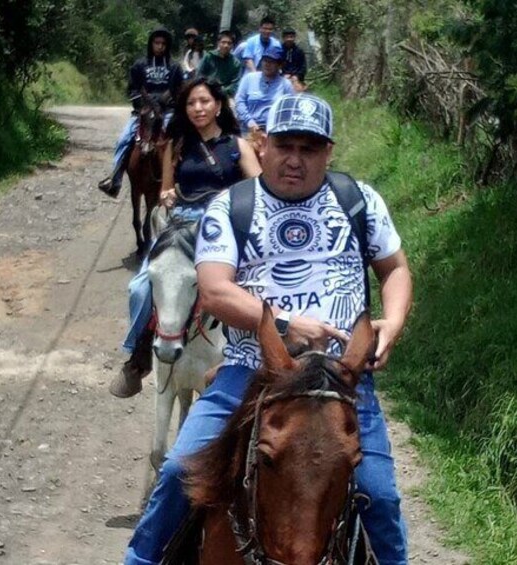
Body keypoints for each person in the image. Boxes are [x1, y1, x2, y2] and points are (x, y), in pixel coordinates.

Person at [123, 93, 413, 564]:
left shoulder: (358, 201)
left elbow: (395, 268)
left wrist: (393, 321)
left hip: (338, 379)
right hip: (250, 369)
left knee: (379, 495)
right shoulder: (231, 207)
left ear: (329, 152)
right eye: (285, 146)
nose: (296, 160)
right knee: (179, 470)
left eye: (310, 148)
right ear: (263, 144)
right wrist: (283, 323)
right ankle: (141, 560)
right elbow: (215, 290)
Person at [109, 78, 261, 398]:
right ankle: (138, 357)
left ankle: (260, 356)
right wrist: (166, 195)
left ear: (218, 105)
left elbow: (260, 191)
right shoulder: (176, 146)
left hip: (224, 230)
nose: (198, 108)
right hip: (181, 225)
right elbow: (167, 188)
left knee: (255, 285)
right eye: (191, 103)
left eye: (204, 101)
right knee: (140, 286)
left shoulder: (237, 147)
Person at [98, 28, 183, 198]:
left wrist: (164, 101)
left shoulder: (174, 67)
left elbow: (177, 90)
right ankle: (115, 180)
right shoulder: (139, 65)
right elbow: (133, 90)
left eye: (163, 44)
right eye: (156, 43)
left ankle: (181, 182)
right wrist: (144, 105)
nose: (160, 47)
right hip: (143, 112)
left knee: (179, 141)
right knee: (123, 139)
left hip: (167, 112)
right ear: (151, 44)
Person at [234, 45, 294, 137]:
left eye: (272, 62)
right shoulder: (249, 78)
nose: (267, 64)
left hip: (274, 130)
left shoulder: (285, 84)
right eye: (265, 60)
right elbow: (240, 101)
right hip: (249, 128)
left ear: (279, 65)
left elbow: (289, 110)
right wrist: (250, 122)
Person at [196, 30, 243, 97]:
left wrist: (222, 91)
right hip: (206, 91)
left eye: (229, 43)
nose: (226, 45)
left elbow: (235, 84)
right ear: (218, 43)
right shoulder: (209, 56)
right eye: (223, 42)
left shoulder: (236, 63)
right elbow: (199, 75)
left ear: (232, 45)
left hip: (225, 95)